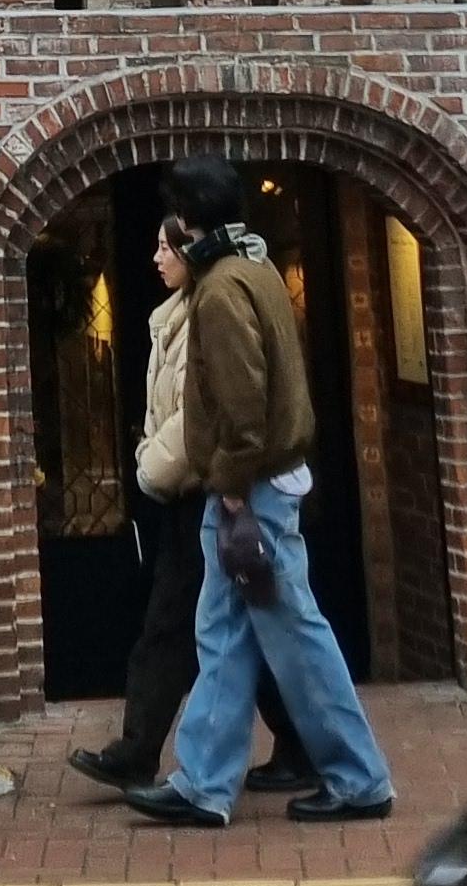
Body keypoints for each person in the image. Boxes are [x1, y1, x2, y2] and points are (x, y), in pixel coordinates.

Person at [125, 158, 395, 828]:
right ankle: (204, 783)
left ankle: (359, 778)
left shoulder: (219, 290)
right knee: (222, 632)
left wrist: (231, 488)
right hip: (264, 480)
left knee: (295, 633)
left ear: (190, 217)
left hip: (251, 488)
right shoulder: (257, 269)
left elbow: (242, 406)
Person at [70, 218, 313, 800]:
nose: (156, 258)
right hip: (195, 491)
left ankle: (155, 756)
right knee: (219, 622)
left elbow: (202, 413)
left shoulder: (211, 309)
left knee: (200, 622)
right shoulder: (175, 314)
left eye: (166, 247)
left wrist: (150, 465)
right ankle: (294, 746)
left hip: (211, 490)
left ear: (191, 248)